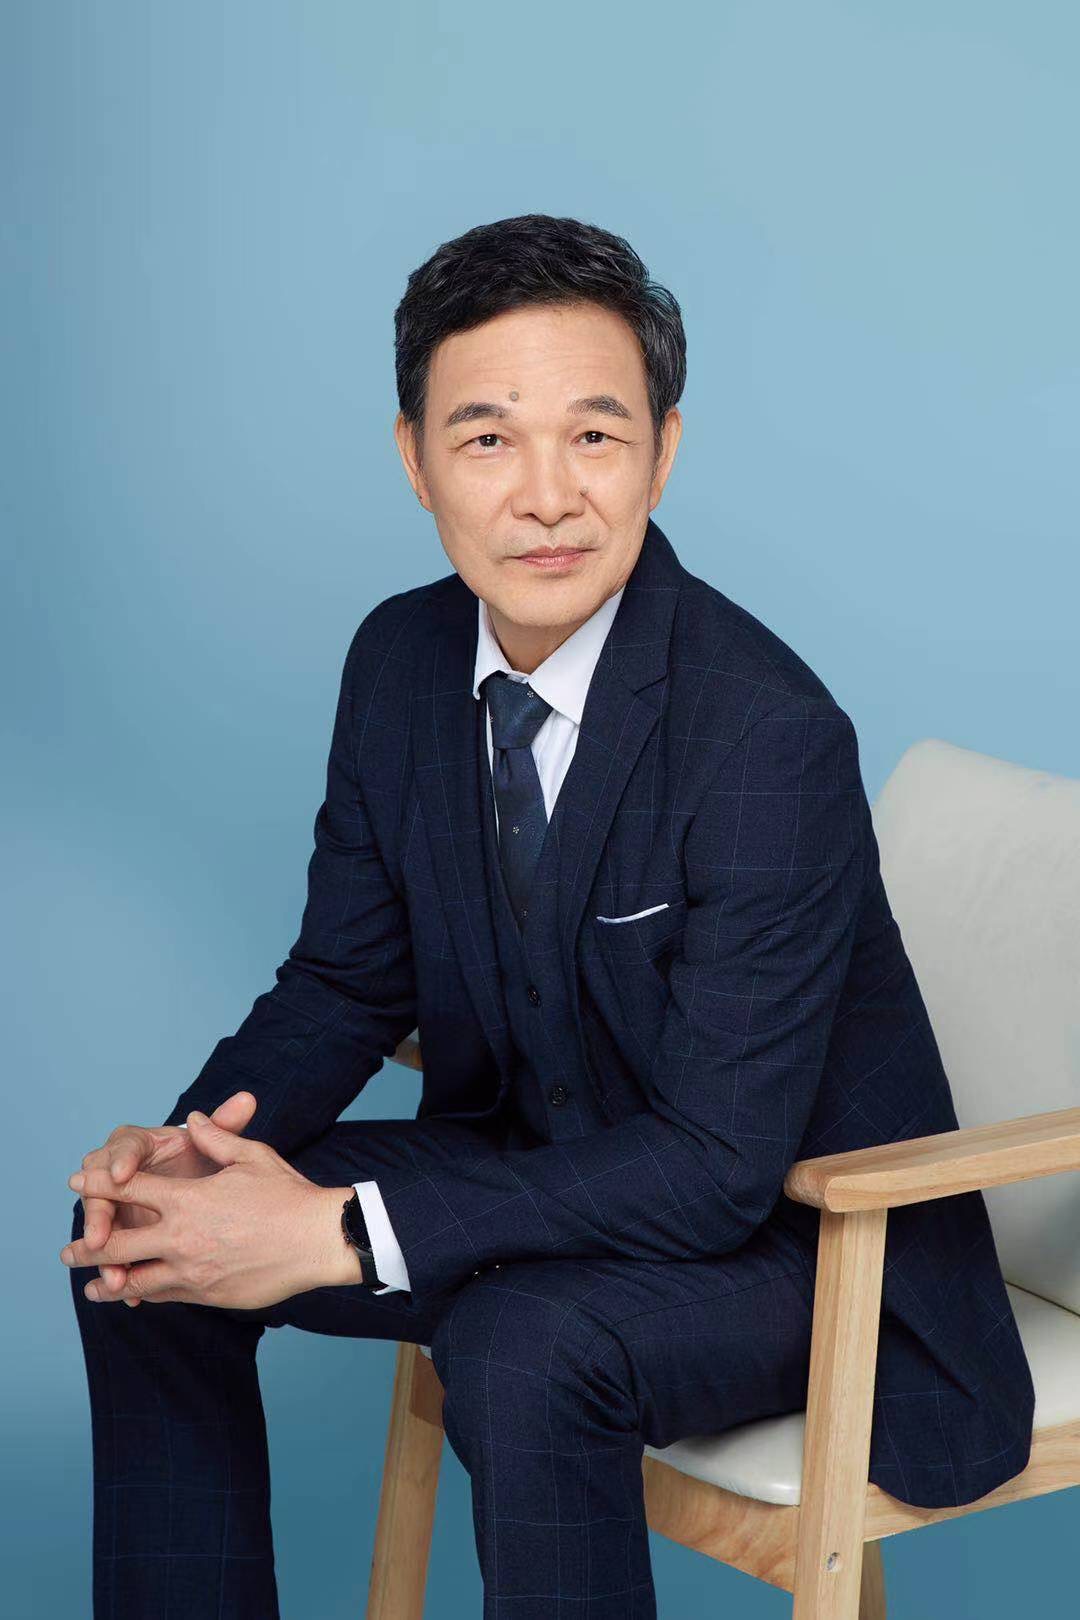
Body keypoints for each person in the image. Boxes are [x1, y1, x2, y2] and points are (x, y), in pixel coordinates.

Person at [62, 213, 1034, 1618]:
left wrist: (344, 1231)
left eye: (594, 435)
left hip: (804, 1250)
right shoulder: (399, 661)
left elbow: (716, 1165)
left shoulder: (765, 734)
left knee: (523, 1346)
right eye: (487, 439)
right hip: (543, 1164)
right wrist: (190, 1147)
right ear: (415, 461)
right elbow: (344, 980)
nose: (547, 496)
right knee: (146, 1242)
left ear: (663, 451)